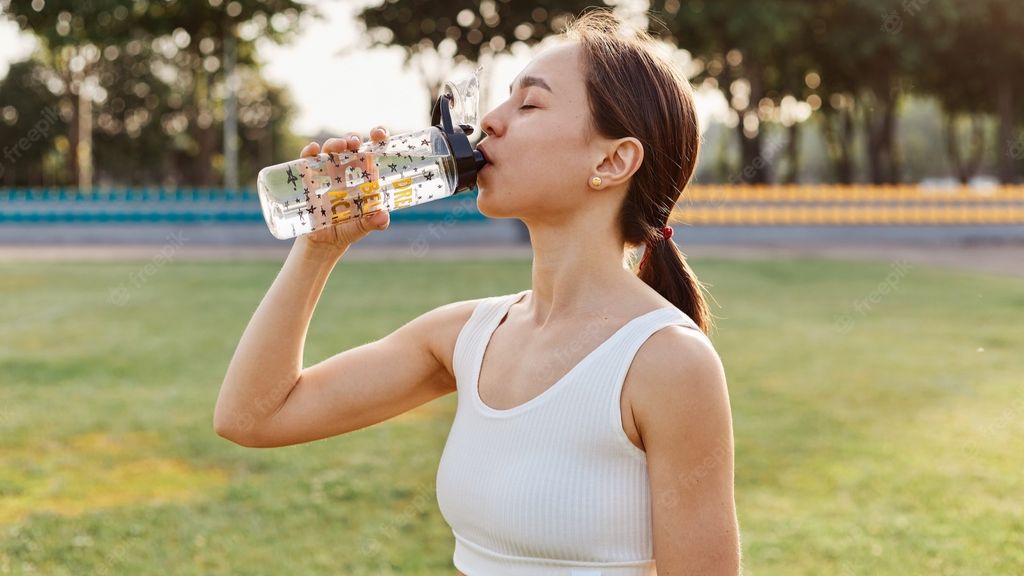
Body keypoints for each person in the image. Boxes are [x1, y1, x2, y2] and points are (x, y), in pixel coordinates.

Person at [215, 8, 740, 576]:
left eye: (529, 103)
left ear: (612, 161)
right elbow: (253, 417)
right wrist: (318, 248)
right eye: (502, 100)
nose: (490, 120)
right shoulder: (464, 336)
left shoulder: (668, 363)